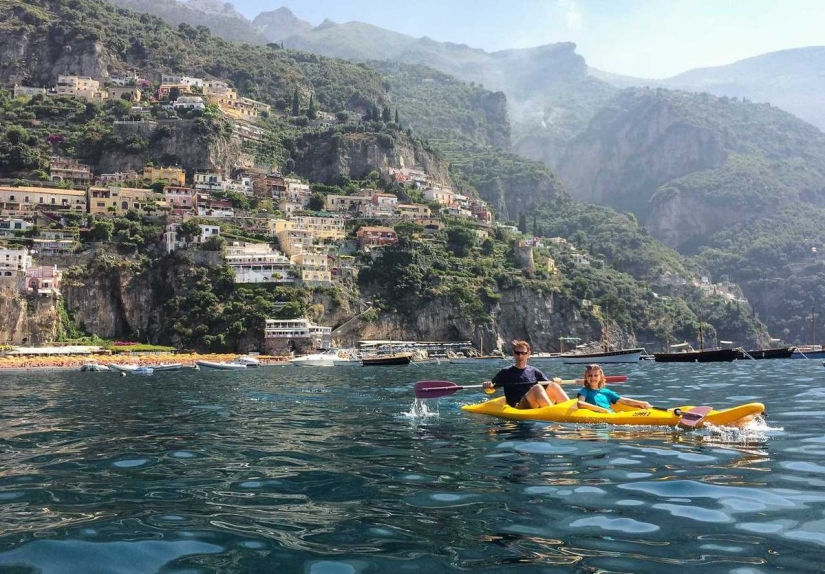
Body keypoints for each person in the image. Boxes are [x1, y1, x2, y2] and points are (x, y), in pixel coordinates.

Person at [482, 340, 569, 408]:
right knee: (537, 387)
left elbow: (549, 385)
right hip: (518, 406)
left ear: (528, 354)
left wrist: (556, 381)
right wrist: (488, 386)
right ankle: (553, 413)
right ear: (514, 354)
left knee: (554, 385)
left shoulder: (534, 371)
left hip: (534, 404)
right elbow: (491, 390)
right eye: (517, 353)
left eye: (523, 353)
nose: (520, 356)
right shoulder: (505, 372)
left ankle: (571, 409)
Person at [576, 364, 651, 413]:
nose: (593, 378)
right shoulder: (585, 390)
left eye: (596, 375)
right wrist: (603, 410)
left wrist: (641, 403)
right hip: (601, 417)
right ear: (586, 377)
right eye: (590, 376)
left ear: (601, 377)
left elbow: (625, 401)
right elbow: (580, 403)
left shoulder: (606, 392)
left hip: (611, 416)